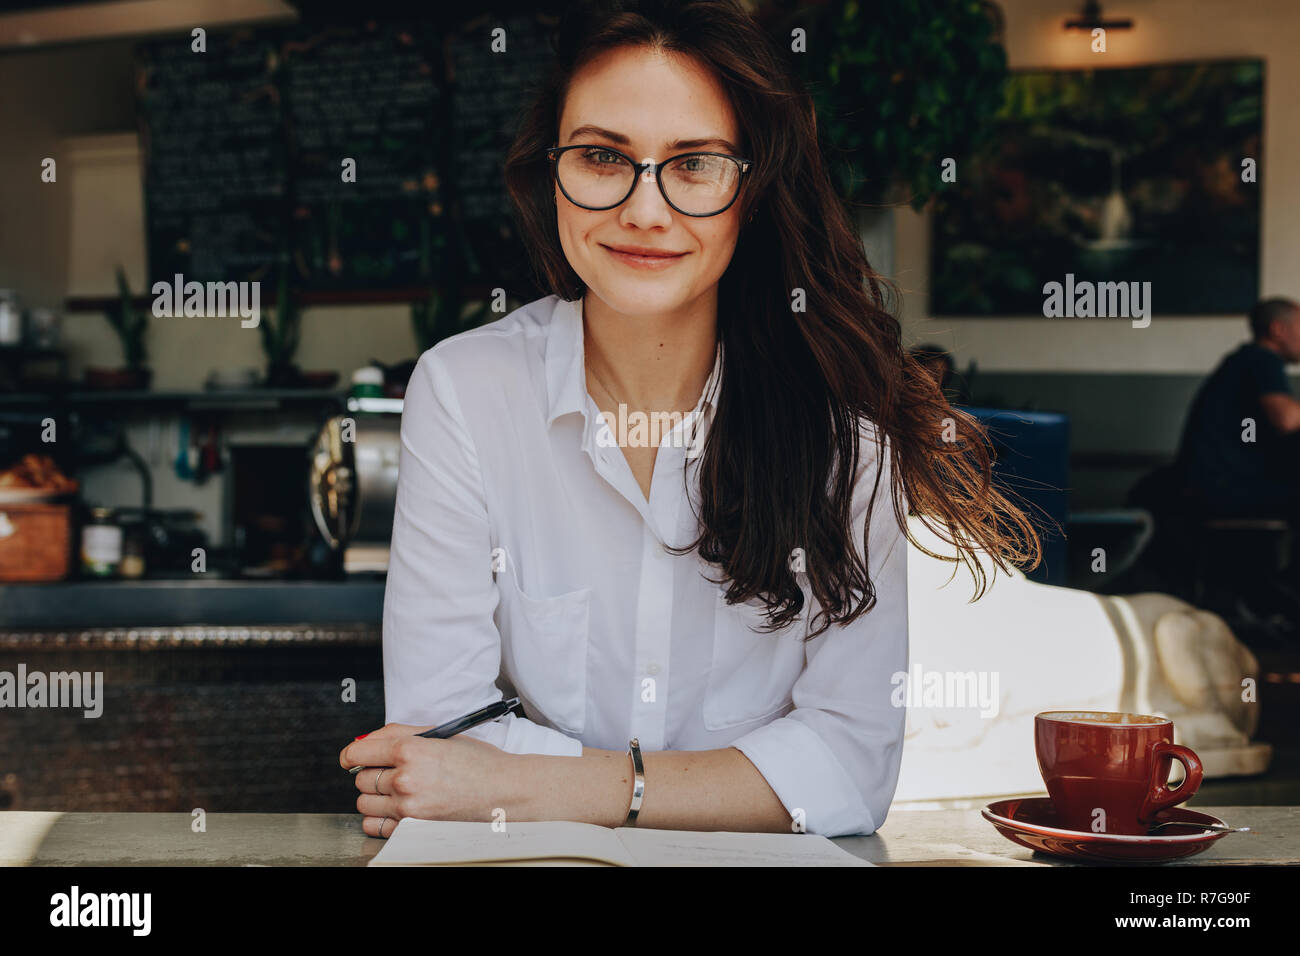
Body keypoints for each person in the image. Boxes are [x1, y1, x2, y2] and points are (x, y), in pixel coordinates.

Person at [340, 0, 1040, 839]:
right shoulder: (463, 391)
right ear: (548, 168)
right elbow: (439, 738)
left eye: (695, 164)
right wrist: (740, 784)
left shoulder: (846, 427)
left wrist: (554, 787)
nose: (644, 210)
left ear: (753, 188)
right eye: (603, 156)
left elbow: (849, 769)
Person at [1174, 297, 1300, 519]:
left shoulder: (1244, 360)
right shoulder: (1261, 359)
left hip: (1208, 485)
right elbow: (1287, 420)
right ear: (1278, 329)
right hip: (1224, 490)